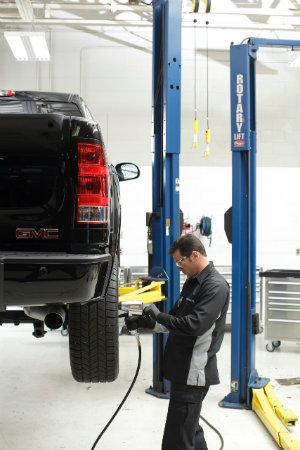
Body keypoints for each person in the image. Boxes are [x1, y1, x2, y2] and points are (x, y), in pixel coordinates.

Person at [126, 233, 229, 450]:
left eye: (180, 262)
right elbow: (175, 320)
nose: (178, 268)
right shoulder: (192, 283)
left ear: (194, 255)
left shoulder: (215, 286)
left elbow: (194, 325)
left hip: (193, 374)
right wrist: (145, 322)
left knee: (177, 440)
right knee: (189, 431)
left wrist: (158, 314)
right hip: (181, 370)